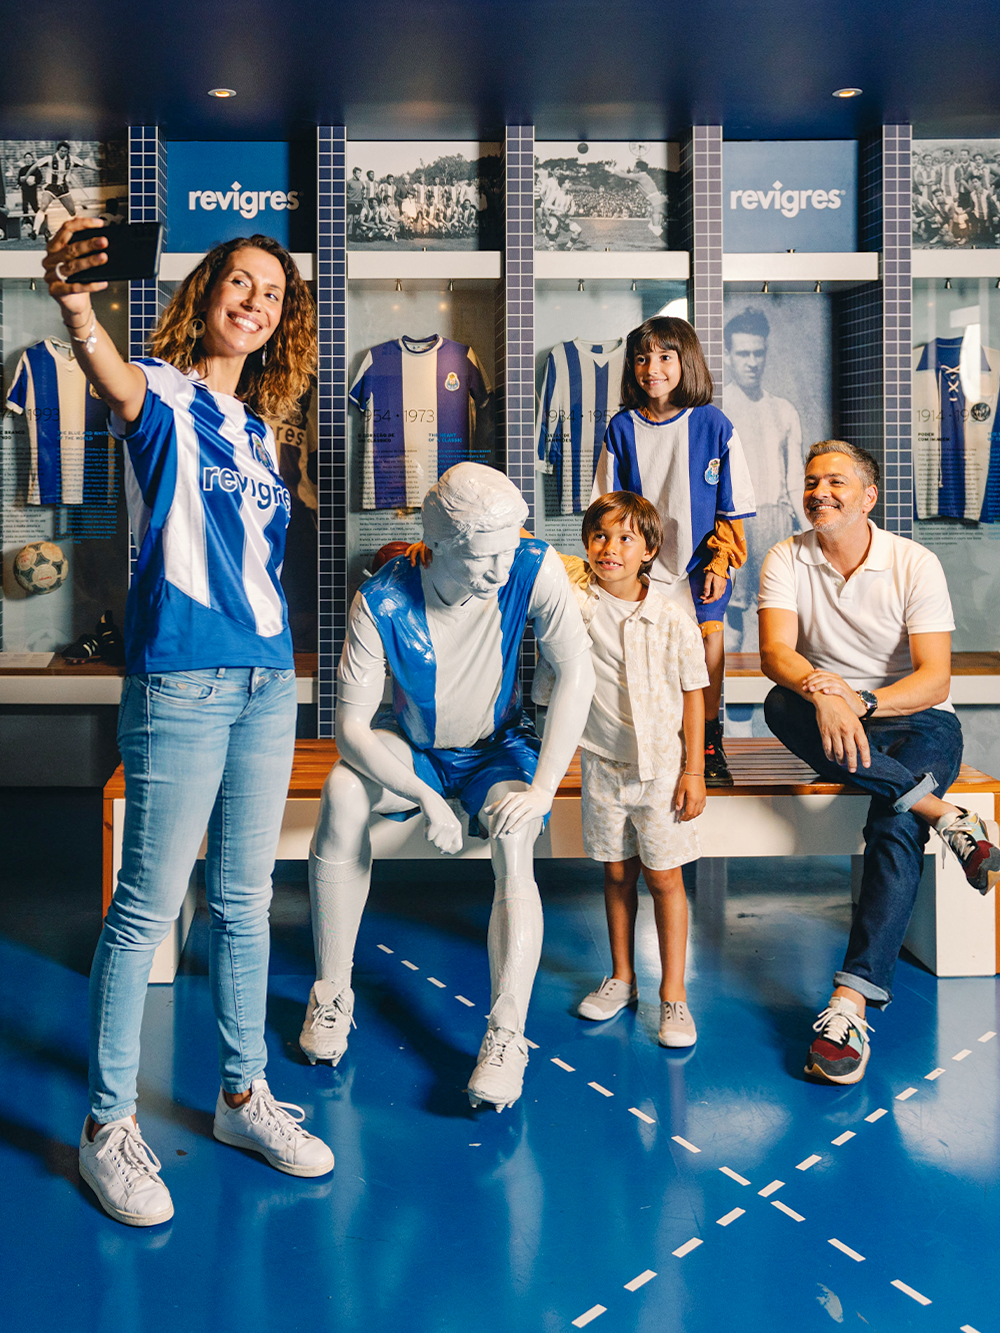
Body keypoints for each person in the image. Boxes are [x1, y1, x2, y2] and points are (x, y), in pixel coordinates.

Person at [43, 219, 334, 1226]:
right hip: (178, 682)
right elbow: (105, 371)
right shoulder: (158, 388)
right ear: (208, 290)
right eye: (240, 283)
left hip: (263, 684)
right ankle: (106, 1127)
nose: (255, 301)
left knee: (245, 903)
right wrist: (77, 306)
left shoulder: (261, 432)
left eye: (273, 294)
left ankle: (242, 1097)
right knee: (145, 908)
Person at [299, 462, 594, 1111]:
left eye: (509, 551)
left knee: (515, 838)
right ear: (440, 545)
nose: (500, 569)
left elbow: (577, 672)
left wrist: (543, 789)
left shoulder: (530, 565)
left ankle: (505, 1034)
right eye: (486, 557)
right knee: (343, 794)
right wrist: (428, 795)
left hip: (498, 749)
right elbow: (351, 729)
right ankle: (331, 993)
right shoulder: (380, 601)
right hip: (422, 751)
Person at [759, 440, 1000, 1086]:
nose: (819, 492)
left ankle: (850, 1005)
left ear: (869, 496)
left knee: (893, 822)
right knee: (780, 705)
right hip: (830, 713)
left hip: (918, 720)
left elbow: (934, 677)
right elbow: (778, 654)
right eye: (811, 481)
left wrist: (858, 700)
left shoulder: (912, 562)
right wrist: (821, 688)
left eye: (836, 481)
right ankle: (946, 814)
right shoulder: (786, 556)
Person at [535, 492, 708, 1045]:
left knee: (664, 878)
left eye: (626, 538)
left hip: (661, 770)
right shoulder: (574, 598)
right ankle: (622, 977)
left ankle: (674, 997)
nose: (611, 547)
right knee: (615, 872)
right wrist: (430, 545)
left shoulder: (670, 616)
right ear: (587, 544)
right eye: (601, 536)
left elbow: (695, 693)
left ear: (649, 550)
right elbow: (516, 552)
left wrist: (694, 772)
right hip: (602, 765)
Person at [592, 315, 756, 784]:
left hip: (701, 562)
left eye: (665, 356)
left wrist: (722, 562)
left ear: (687, 362)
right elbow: (607, 505)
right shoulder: (622, 428)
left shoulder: (713, 424)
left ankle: (708, 739)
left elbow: (734, 503)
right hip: (643, 565)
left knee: (708, 648)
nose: (653, 368)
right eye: (642, 358)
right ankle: (660, 740)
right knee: (648, 651)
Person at [722, 308, 806, 652]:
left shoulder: (784, 410)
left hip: (776, 521)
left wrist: (809, 532)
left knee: (775, 616)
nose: (752, 362)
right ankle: (728, 698)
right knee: (731, 616)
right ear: (728, 356)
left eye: (759, 353)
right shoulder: (718, 409)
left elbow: (796, 479)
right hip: (733, 524)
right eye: (743, 353)